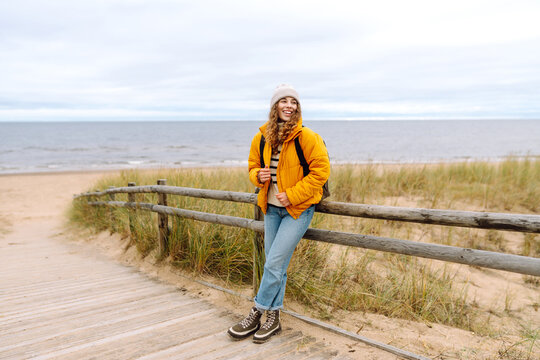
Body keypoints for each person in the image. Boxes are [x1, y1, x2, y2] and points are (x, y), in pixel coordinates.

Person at [227, 84, 330, 343]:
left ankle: (256, 311)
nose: (289, 106)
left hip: (298, 210)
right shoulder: (261, 137)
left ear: (298, 107)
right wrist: (257, 175)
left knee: (273, 264)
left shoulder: (308, 137)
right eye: (283, 101)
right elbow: (252, 166)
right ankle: (273, 319)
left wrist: (293, 194)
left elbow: (321, 172)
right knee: (275, 265)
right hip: (271, 210)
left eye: (293, 102)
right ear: (274, 107)